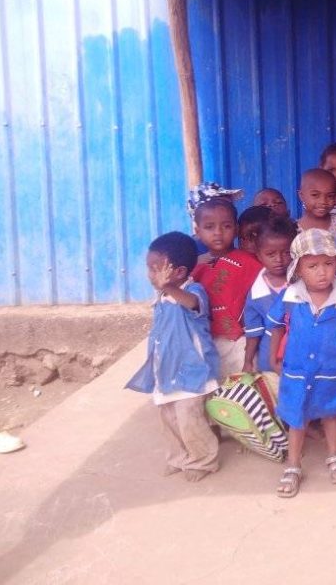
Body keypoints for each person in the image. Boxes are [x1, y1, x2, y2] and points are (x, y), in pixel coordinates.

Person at [269, 229, 336, 498]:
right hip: (296, 372)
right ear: (298, 269)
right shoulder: (290, 297)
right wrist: (274, 359)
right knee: (298, 419)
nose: (322, 272)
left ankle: (334, 455)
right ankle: (293, 465)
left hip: (332, 373)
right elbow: (275, 327)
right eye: (312, 266)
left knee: (331, 415)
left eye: (328, 264)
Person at [127, 232, 220, 482]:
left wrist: (167, 286)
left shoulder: (193, 291)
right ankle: (179, 458)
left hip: (192, 373)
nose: (149, 274)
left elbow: (192, 305)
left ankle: (203, 461)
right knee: (169, 419)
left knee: (191, 421)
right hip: (166, 371)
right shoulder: (161, 296)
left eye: (154, 269)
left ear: (178, 272)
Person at [191, 198, 262, 377]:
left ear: (236, 229)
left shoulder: (250, 263)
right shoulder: (194, 268)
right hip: (205, 341)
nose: (218, 233)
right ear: (197, 231)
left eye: (226, 226)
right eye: (209, 227)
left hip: (240, 341)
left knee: (243, 388)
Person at [243, 215, 299, 373]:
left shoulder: (305, 283)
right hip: (270, 361)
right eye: (271, 254)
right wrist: (248, 362)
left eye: (286, 253)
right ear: (259, 255)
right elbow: (254, 331)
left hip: (302, 355)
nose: (279, 260)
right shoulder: (256, 293)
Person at [296, 168, 336, 232]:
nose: (323, 201)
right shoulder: (293, 229)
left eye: (330, 196)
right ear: (301, 196)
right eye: (315, 195)